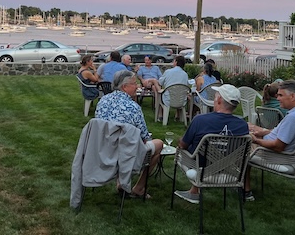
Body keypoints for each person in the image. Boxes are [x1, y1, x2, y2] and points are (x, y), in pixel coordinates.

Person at [174, 84, 249, 204]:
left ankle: (194, 191)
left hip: (201, 170)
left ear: (219, 100)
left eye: (215, 97)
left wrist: (178, 141)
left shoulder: (200, 120)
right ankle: (194, 191)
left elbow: (183, 145)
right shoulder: (242, 125)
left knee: (187, 149)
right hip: (229, 171)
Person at [245, 80, 295, 201]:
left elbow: (278, 146)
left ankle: (244, 190)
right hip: (294, 156)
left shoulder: (294, 118)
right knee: (248, 133)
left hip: (280, 157)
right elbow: (287, 133)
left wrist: (255, 140)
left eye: (280, 95)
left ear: (292, 96)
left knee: (240, 147)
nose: (277, 98)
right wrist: (264, 131)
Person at [95, 70, 164, 198]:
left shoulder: (102, 101)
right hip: (125, 156)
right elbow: (145, 138)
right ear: (125, 87)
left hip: (102, 152)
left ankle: (121, 182)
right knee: (158, 144)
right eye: (134, 83)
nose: (137, 86)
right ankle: (138, 188)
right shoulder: (133, 107)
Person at [157, 55, 189, 121]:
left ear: (176, 62)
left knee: (160, 95)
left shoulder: (168, 72)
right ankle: (178, 116)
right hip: (181, 100)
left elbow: (160, 83)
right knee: (179, 92)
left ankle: (160, 115)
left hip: (168, 100)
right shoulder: (185, 74)